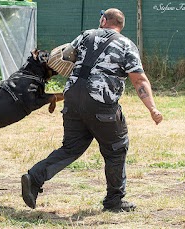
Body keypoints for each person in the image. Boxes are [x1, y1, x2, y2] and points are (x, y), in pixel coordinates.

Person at [21, 8, 163, 212]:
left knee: (71, 147)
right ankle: (114, 201)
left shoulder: (86, 35)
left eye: (100, 18)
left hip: (72, 99)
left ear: (104, 21)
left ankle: (34, 177)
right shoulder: (126, 45)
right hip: (100, 103)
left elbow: (63, 57)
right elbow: (139, 80)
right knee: (116, 149)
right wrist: (152, 109)